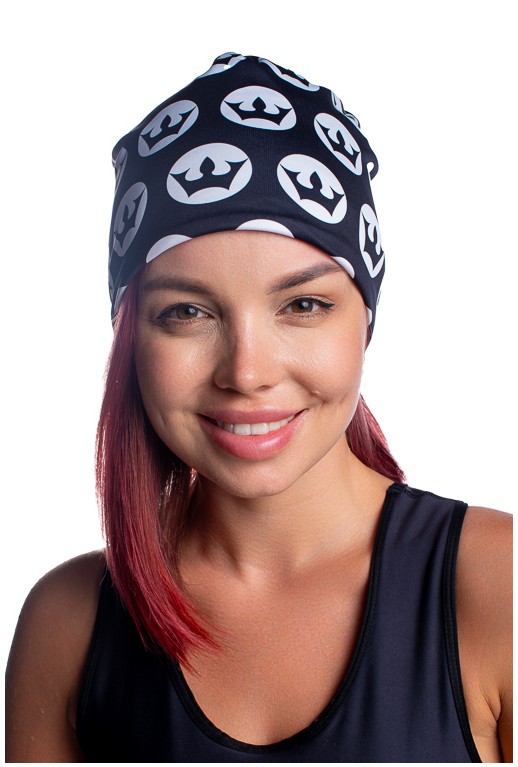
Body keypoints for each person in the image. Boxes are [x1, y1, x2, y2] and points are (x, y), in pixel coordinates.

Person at [5, 52, 512, 763]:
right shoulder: (68, 626)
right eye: (187, 312)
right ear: (130, 339)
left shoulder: (496, 585)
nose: (247, 373)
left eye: (302, 304)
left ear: (364, 321)